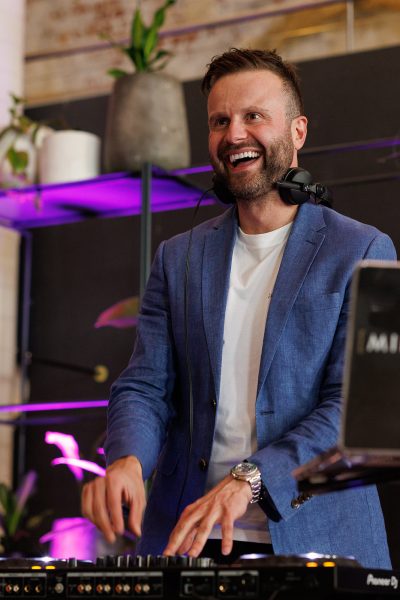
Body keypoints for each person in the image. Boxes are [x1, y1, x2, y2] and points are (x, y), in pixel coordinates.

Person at [82, 48, 396, 568]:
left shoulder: (363, 250)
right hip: (187, 545)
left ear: (297, 132)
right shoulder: (176, 258)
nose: (234, 135)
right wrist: (127, 461)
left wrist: (247, 479)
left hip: (319, 541)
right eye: (220, 121)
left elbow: (350, 410)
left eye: (254, 116)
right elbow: (144, 385)